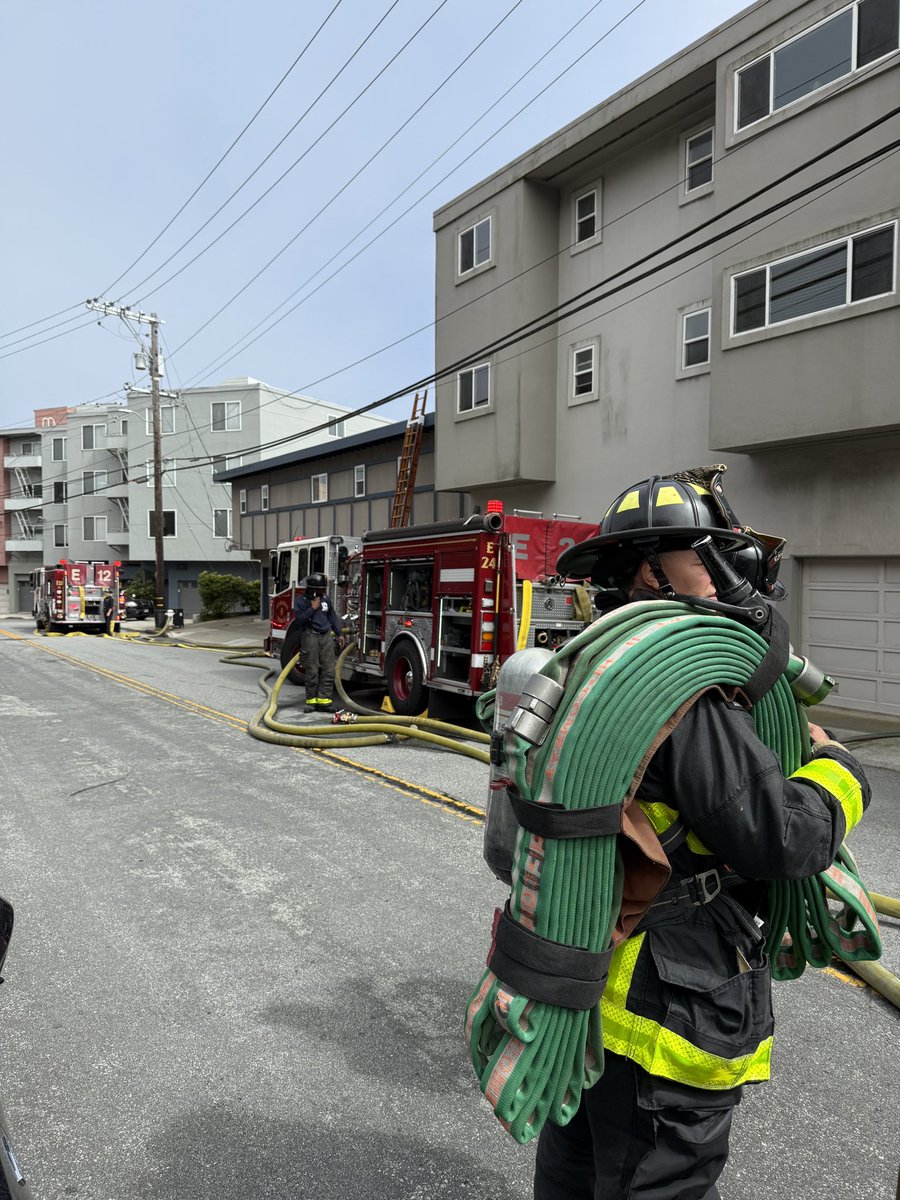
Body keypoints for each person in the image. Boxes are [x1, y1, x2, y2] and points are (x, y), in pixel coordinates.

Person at [534, 468, 871, 1200]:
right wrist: (841, 771)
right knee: (659, 1182)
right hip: (664, 1002)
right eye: (709, 556)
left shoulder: (602, 664)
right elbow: (781, 839)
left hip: (592, 980)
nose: (733, 573)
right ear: (653, 567)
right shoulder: (683, 684)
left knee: (580, 1168)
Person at [292, 572, 345, 713]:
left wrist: (339, 633)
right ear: (313, 589)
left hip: (325, 636)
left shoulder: (325, 600)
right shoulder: (300, 601)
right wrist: (313, 608)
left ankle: (324, 701)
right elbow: (299, 620)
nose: (324, 591)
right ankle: (311, 702)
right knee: (312, 670)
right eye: (321, 589)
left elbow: (332, 617)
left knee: (329, 669)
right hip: (310, 635)